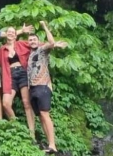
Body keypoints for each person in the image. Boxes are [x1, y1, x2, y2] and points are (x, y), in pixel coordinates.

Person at [27, 20, 68, 154]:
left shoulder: (42, 49)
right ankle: (49, 145)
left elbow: (50, 43)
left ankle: (53, 145)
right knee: (41, 117)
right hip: (32, 89)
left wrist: (44, 27)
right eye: (30, 40)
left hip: (42, 86)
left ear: (38, 41)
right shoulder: (30, 54)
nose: (32, 41)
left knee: (45, 115)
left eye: (34, 39)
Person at [0, 26, 36, 138]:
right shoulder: (1, 50)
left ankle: (32, 134)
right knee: (6, 103)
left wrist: (52, 45)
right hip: (10, 76)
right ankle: (17, 128)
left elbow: (36, 45)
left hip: (23, 73)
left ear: (15, 35)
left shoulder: (21, 44)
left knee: (26, 103)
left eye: (13, 32)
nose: (10, 34)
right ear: (6, 34)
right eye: (8, 32)